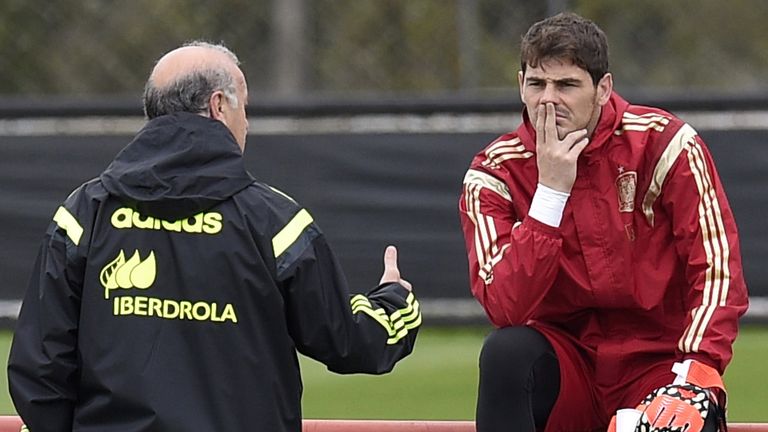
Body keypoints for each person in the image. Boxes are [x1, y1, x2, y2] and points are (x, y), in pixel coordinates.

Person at [8, 41, 421, 432]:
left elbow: (39, 369)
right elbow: (345, 340)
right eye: (245, 106)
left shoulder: (85, 212)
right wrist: (394, 301)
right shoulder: (274, 220)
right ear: (219, 106)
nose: (248, 122)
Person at [459, 12, 748, 432]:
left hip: (660, 363)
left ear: (603, 89)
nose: (548, 100)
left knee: (682, 415)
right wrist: (551, 193)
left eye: (567, 85)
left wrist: (697, 373)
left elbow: (717, 268)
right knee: (507, 352)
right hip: (568, 365)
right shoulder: (493, 173)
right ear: (520, 85)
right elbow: (505, 306)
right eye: (536, 84)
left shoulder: (665, 144)